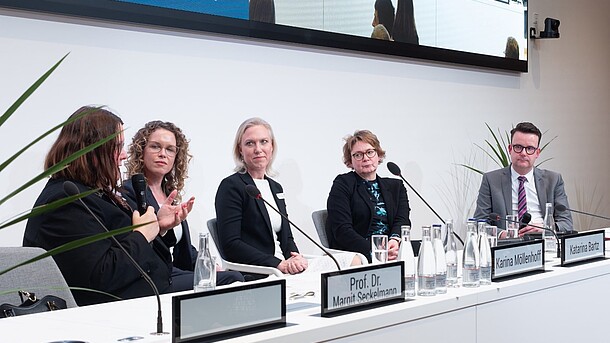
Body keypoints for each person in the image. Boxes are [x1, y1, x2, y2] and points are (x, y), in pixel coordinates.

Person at [23, 106, 187, 306]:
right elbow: (101, 276)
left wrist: (157, 227)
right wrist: (143, 234)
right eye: (117, 147)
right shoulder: (65, 202)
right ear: (93, 149)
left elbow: (120, 246)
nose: (124, 155)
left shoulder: (92, 193)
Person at [215, 118, 359, 277]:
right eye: (250, 143)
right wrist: (278, 264)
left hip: (284, 266)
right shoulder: (231, 186)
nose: (258, 149)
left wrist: (295, 258)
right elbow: (231, 245)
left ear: (272, 147)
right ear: (240, 150)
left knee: (352, 260)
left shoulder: (275, 187)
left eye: (264, 142)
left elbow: (287, 236)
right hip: (262, 270)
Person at [123, 121, 244, 289]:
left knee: (232, 276)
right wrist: (160, 226)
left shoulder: (170, 194)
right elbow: (140, 247)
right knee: (233, 279)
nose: (162, 154)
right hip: (152, 277)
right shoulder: (129, 193)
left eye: (170, 149)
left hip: (175, 271)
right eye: (155, 147)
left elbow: (183, 250)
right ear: (141, 151)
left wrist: (207, 265)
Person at [473, 122, 573, 237]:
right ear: (510, 149)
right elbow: (479, 223)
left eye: (530, 148)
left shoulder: (553, 180)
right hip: (508, 245)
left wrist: (545, 228)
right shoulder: (491, 180)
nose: (523, 153)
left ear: (537, 153)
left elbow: (566, 223)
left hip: (543, 241)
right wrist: (504, 234)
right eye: (518, 147)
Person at [326, 130, 411, 262]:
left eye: (370, 152)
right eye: (358, 155)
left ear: (378, 155)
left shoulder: (396, 186)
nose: (365, 158)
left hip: (391, 251)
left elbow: (402, 220)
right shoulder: (343, 184)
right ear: (350, 161)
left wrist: (394, 240)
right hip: (359, 253)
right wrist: (376, 251)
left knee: (426, 249)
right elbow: (342, 230)